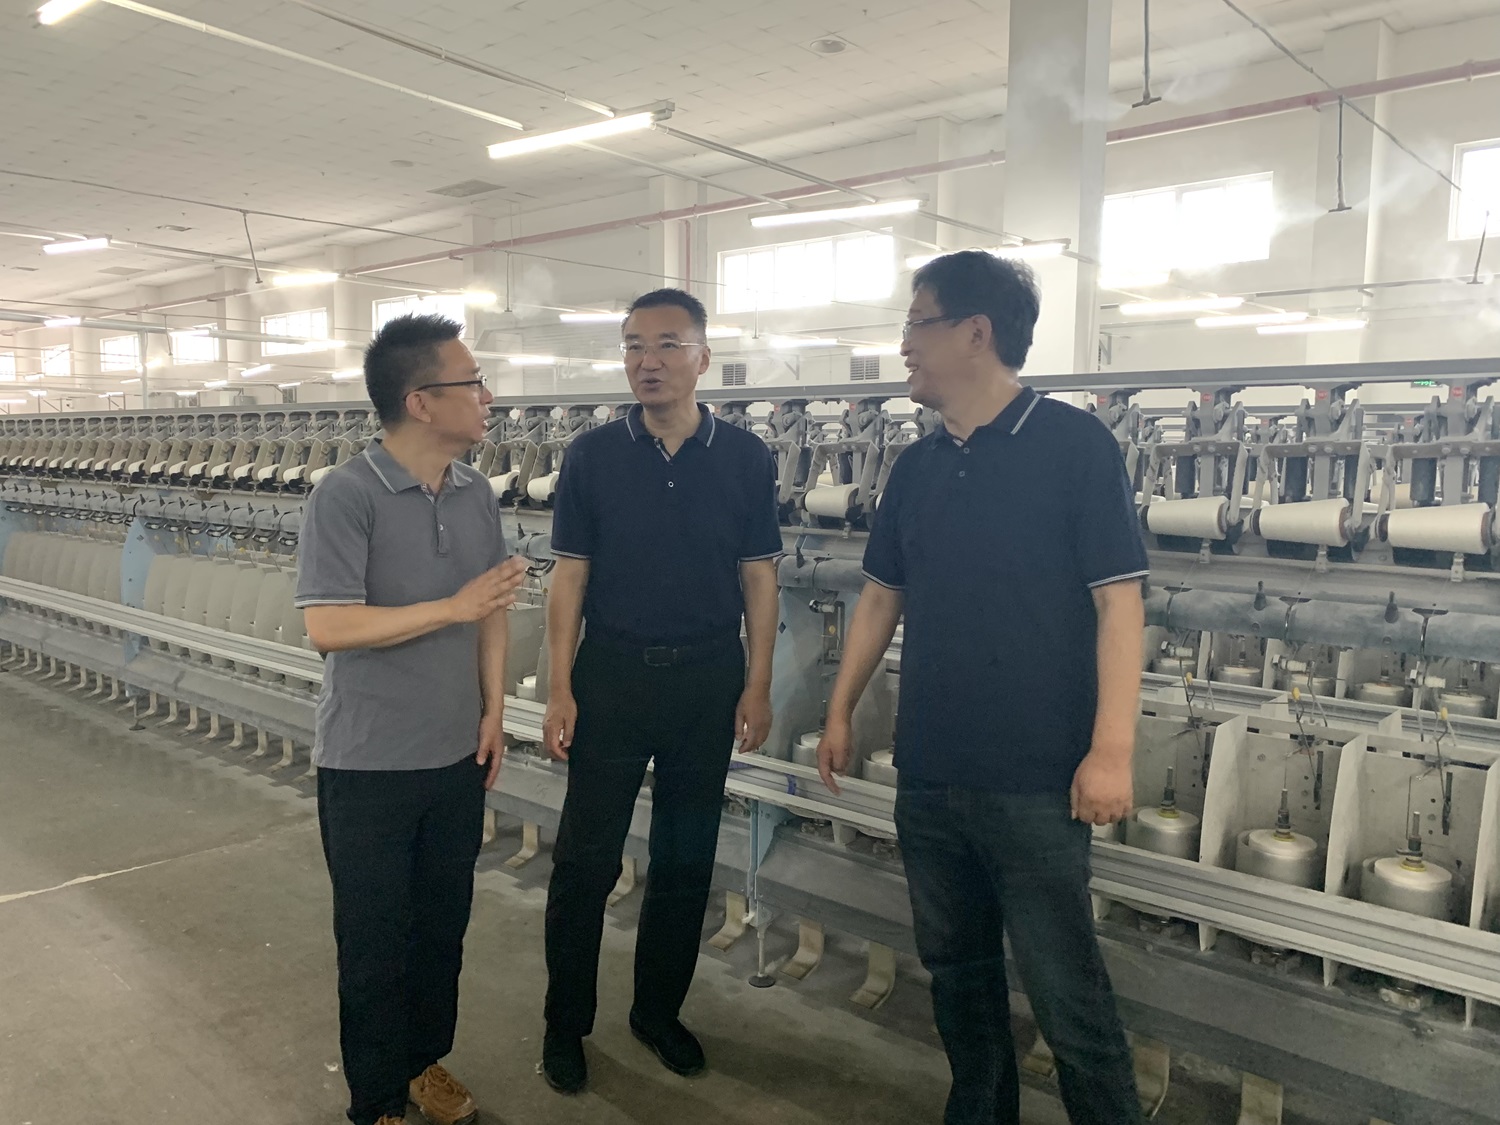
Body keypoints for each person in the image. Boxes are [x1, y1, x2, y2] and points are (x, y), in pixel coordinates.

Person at [816, 252, 1149, 1125]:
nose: (903, 345)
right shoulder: (917, 466)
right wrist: (840, 709)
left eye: (916, 324)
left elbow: (1119, 603)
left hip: (1036, 779)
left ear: (975, 332)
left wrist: (1111, 749)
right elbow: (881, 596)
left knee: (1066, 993)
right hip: (930, 770)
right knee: (957, 976)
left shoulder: (1074, 446)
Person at [538, 288, 782, 1094]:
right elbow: (569, 577)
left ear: (702, 358)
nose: (649, 361)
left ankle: (656, 1011)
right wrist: (561, 685)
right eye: (634, 345)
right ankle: (565, 1023)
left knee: (684, 859)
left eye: (668, 344)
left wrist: (757, 683)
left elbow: (759, 577)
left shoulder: (745, 457)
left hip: (707, 680)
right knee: (585, 860)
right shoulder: (592, 456)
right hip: (611, 675)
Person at [295, 313, 529, 1125]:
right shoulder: (346, 494)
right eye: (473, 383)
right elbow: (329, 624)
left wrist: (494, 709)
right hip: (367, 765)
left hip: (454, 755)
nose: (488, 397)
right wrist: (450, 606)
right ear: (422, 401)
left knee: (440, 932)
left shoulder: (475, 494)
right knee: (373, 944)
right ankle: (376, 1100)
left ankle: (421, 1060)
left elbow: (491, 610)